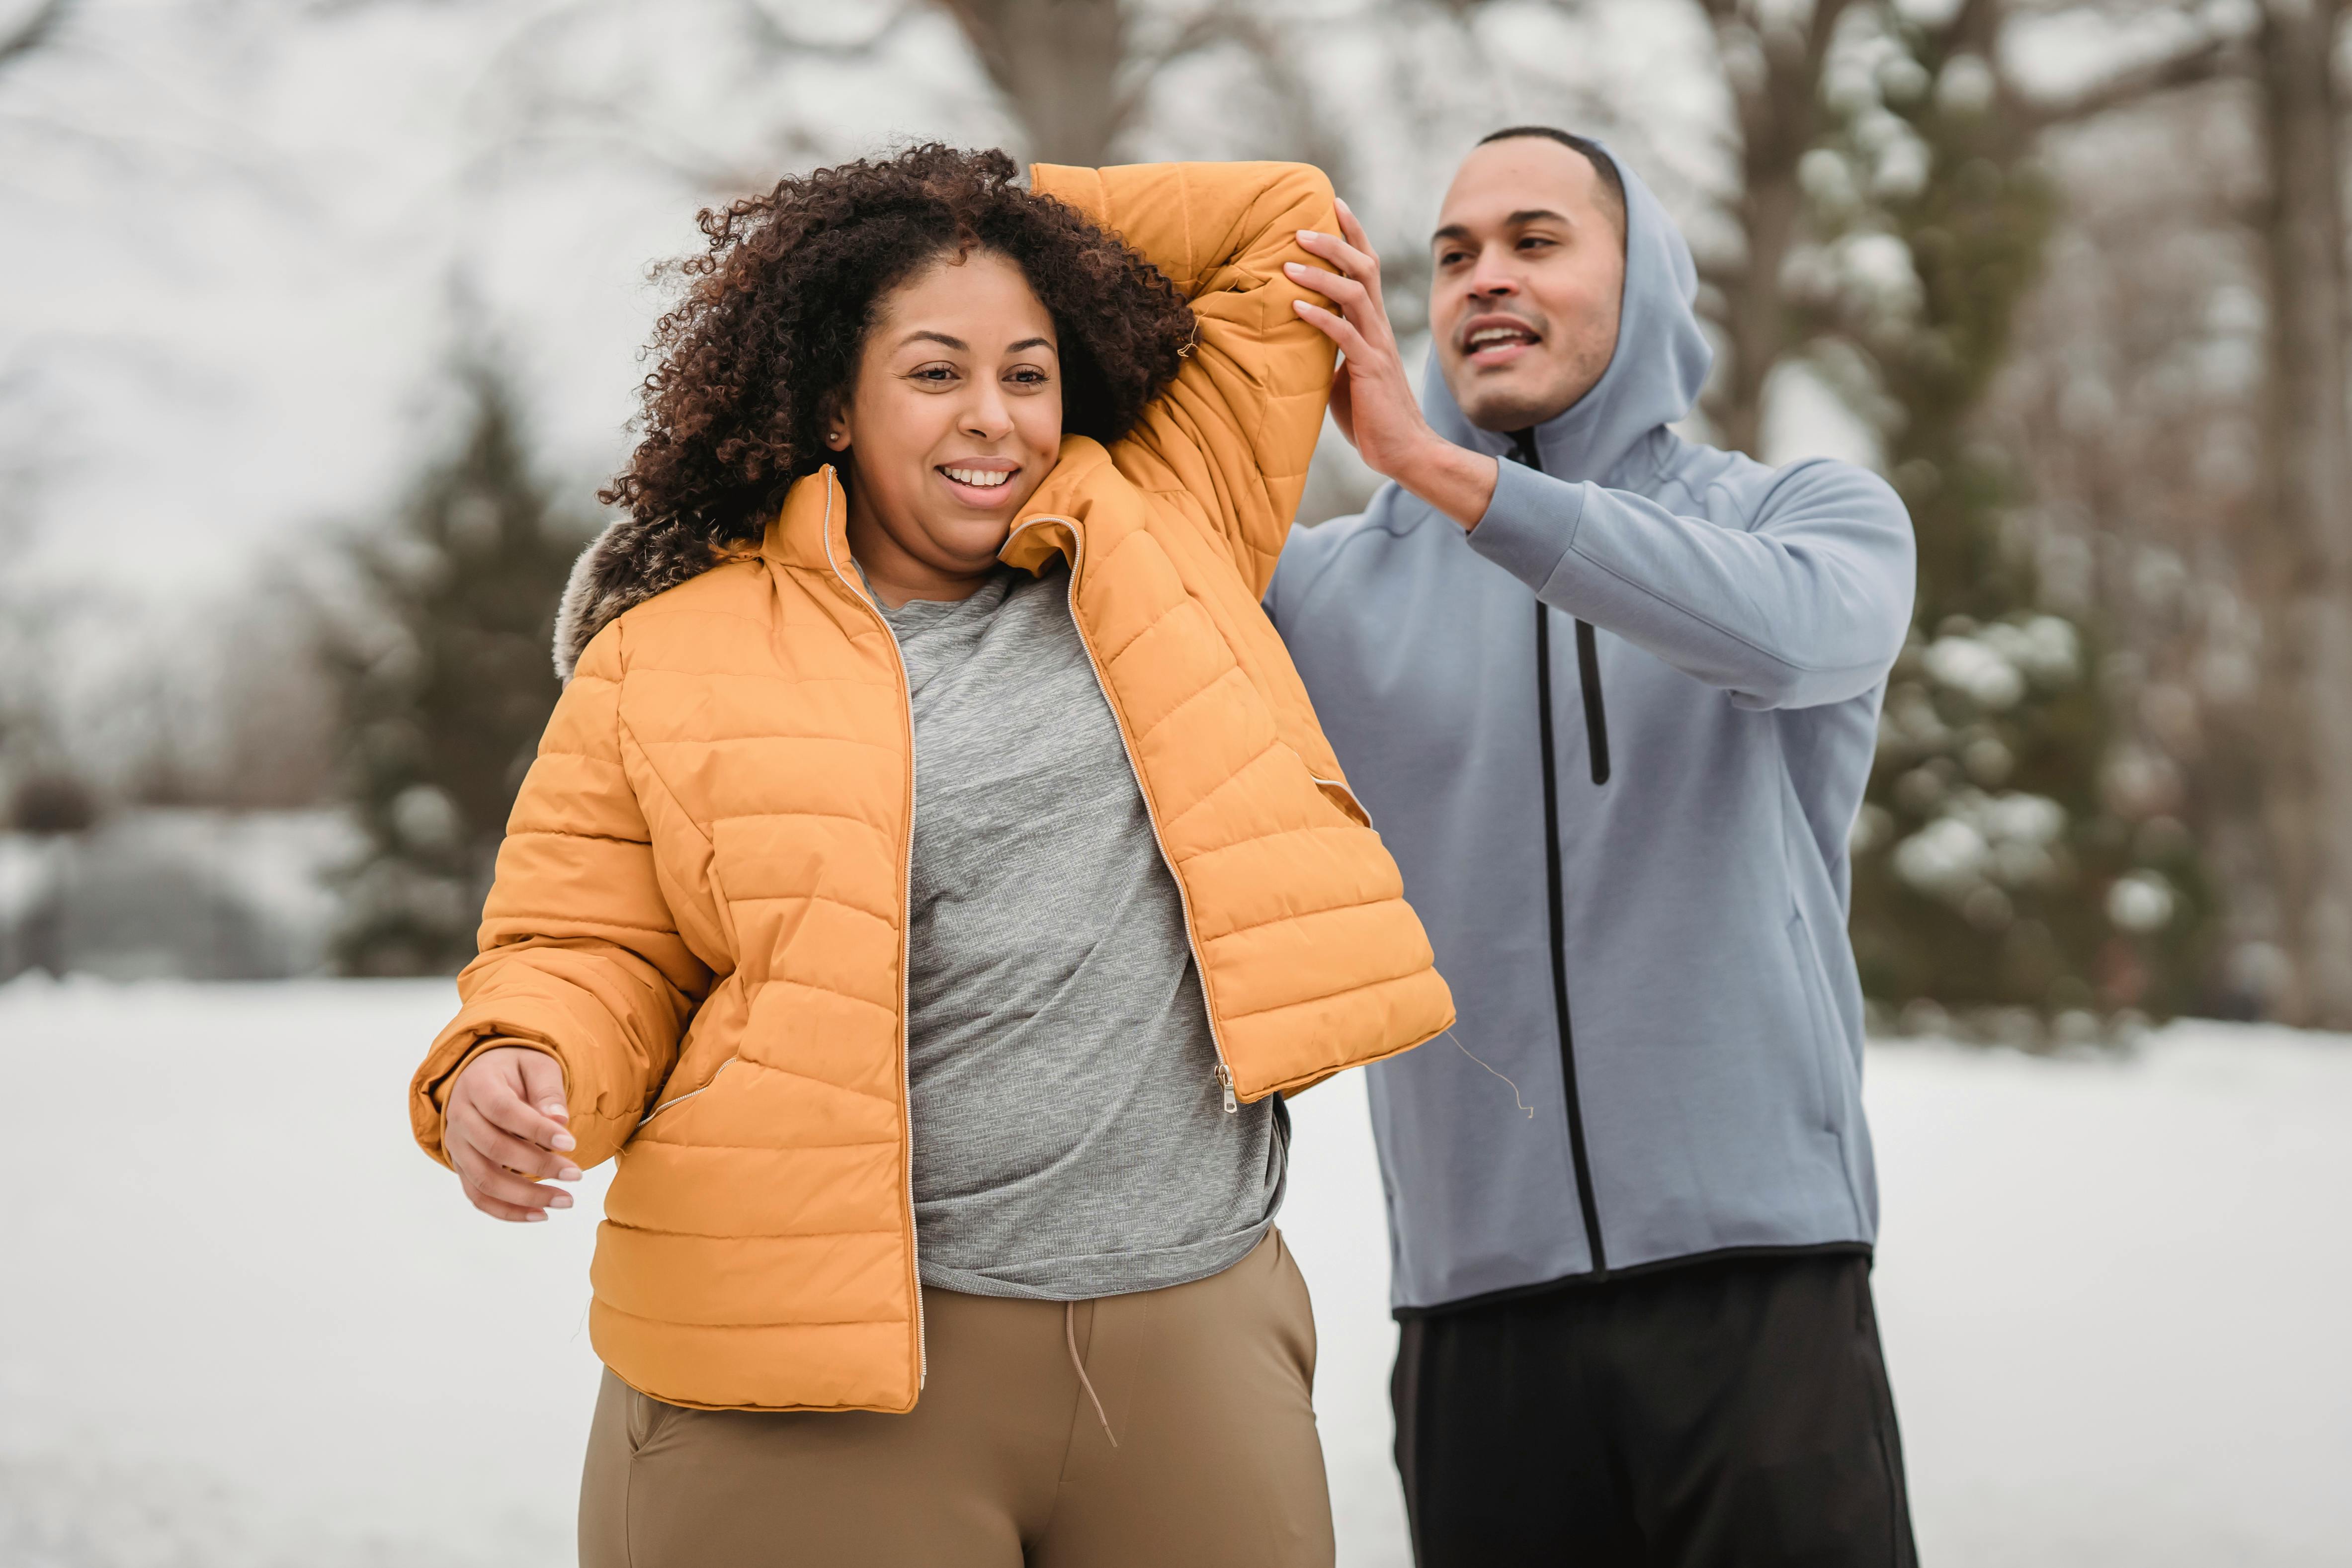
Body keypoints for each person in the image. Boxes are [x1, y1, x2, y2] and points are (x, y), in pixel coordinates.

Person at [404, 144, 1453, 1568]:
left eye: (1028, 371)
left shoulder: (1167, 522)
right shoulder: (670, 652)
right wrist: (516, 1055)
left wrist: (971, 211)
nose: (994, 418)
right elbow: (591, 943)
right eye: (935, 371)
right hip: (811, 1373)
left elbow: (1282, 218)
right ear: (832, 399)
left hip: (1187, 1340)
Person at [1267, 128, 1920, 1565]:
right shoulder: (1321, 592)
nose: (1482, 279)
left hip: (1759, 1284)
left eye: (1534, 240)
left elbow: (1790, 636)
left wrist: (1450, 478)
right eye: (1450, 256)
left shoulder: (1800, 521)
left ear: (1649, 281)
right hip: (1471, 1313)